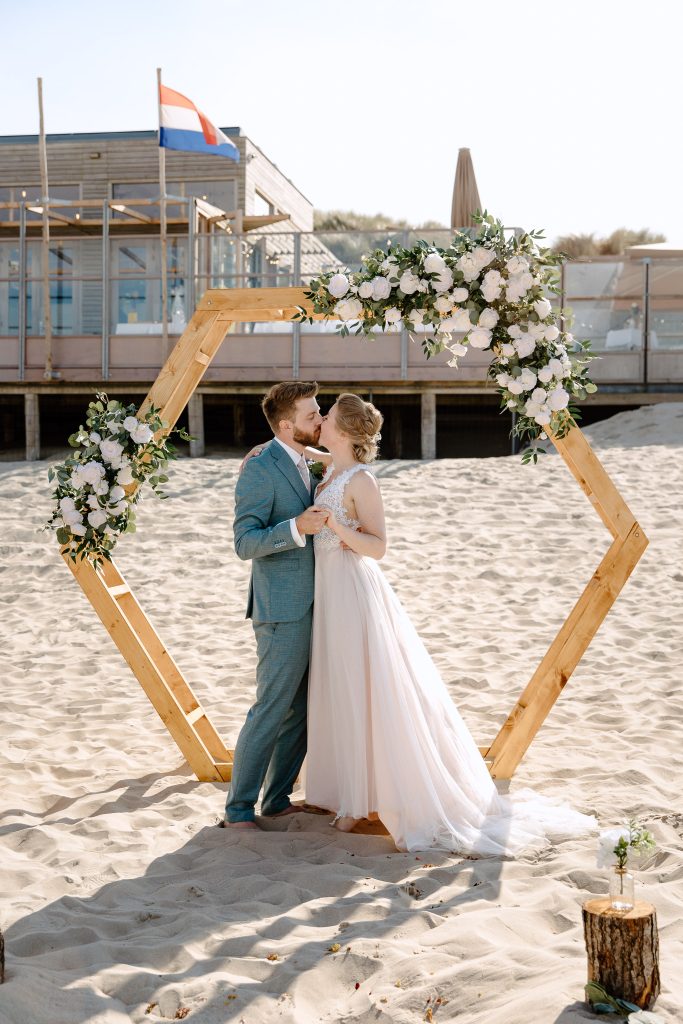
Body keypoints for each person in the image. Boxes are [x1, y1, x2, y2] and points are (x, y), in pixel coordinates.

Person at [304, 392, 596, 854]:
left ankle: (363, 805)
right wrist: (282, 448)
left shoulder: (361, 480)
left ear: (341, 431)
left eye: (327, 417)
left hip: (354, 591)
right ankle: (354, 795)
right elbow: (319, 455)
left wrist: (336, 529)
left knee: (367, 687)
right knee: (341, 687)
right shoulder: (331, 468)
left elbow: (379, 547)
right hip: (328, 593)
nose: (319, 421)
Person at [222, 381, 329, 829]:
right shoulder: (259, 469)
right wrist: (296, 527)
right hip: (281, 608)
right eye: (311, 415)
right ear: (287, 426)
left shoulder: (306, 458)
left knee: (302, 708)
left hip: (318, 604)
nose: (320, 420)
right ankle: (238, 809)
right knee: (271, 707)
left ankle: (277, 798)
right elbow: (244, 543)